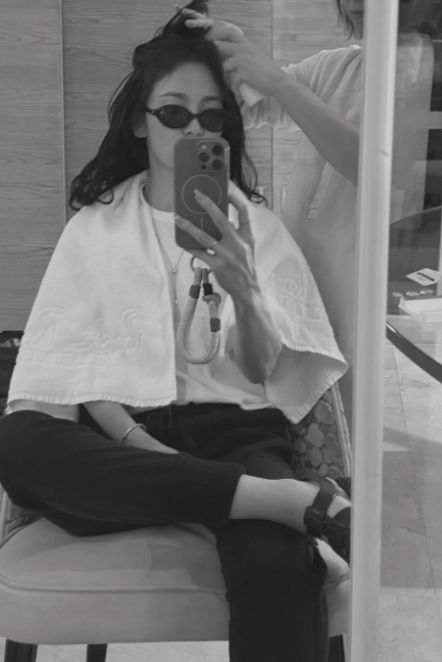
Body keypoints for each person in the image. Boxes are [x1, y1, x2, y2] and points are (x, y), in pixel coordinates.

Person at [0, 4, 351, 661]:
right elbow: (75, 369)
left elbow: (263, 371)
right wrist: (143, 445)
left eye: (212, 117)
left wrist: (245, 288)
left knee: (280, 562)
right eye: (174, 114)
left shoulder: (258, 228)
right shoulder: (96, 227)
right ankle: (269, 500)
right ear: (140, 120)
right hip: (121, 438)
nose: (194, 130)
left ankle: (238, 498)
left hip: (235, 434)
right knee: (15, 442)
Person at [183, 0, 435, 426]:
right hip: (303, 283)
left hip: (372, 296)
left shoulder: (424, 79)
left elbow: (380, 169)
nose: (353, 4)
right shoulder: (335, 68)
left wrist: (278, 82)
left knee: (358, 425)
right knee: (306, 418)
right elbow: (248, 109)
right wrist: (226, 63)